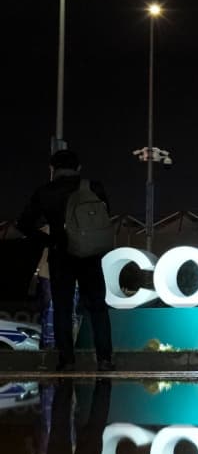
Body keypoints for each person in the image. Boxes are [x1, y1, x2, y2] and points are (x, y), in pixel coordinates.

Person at [18, 150, 114, 370]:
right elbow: (104, 216)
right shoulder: (93, 187)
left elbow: (23, 223)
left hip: (61, 254)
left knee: (63, 307)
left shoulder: (45, 191)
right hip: (90, 255)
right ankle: (105, 359)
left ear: (52, 169)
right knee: (98, 307)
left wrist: (49, 239)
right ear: (78, 168)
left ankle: (67, 360)